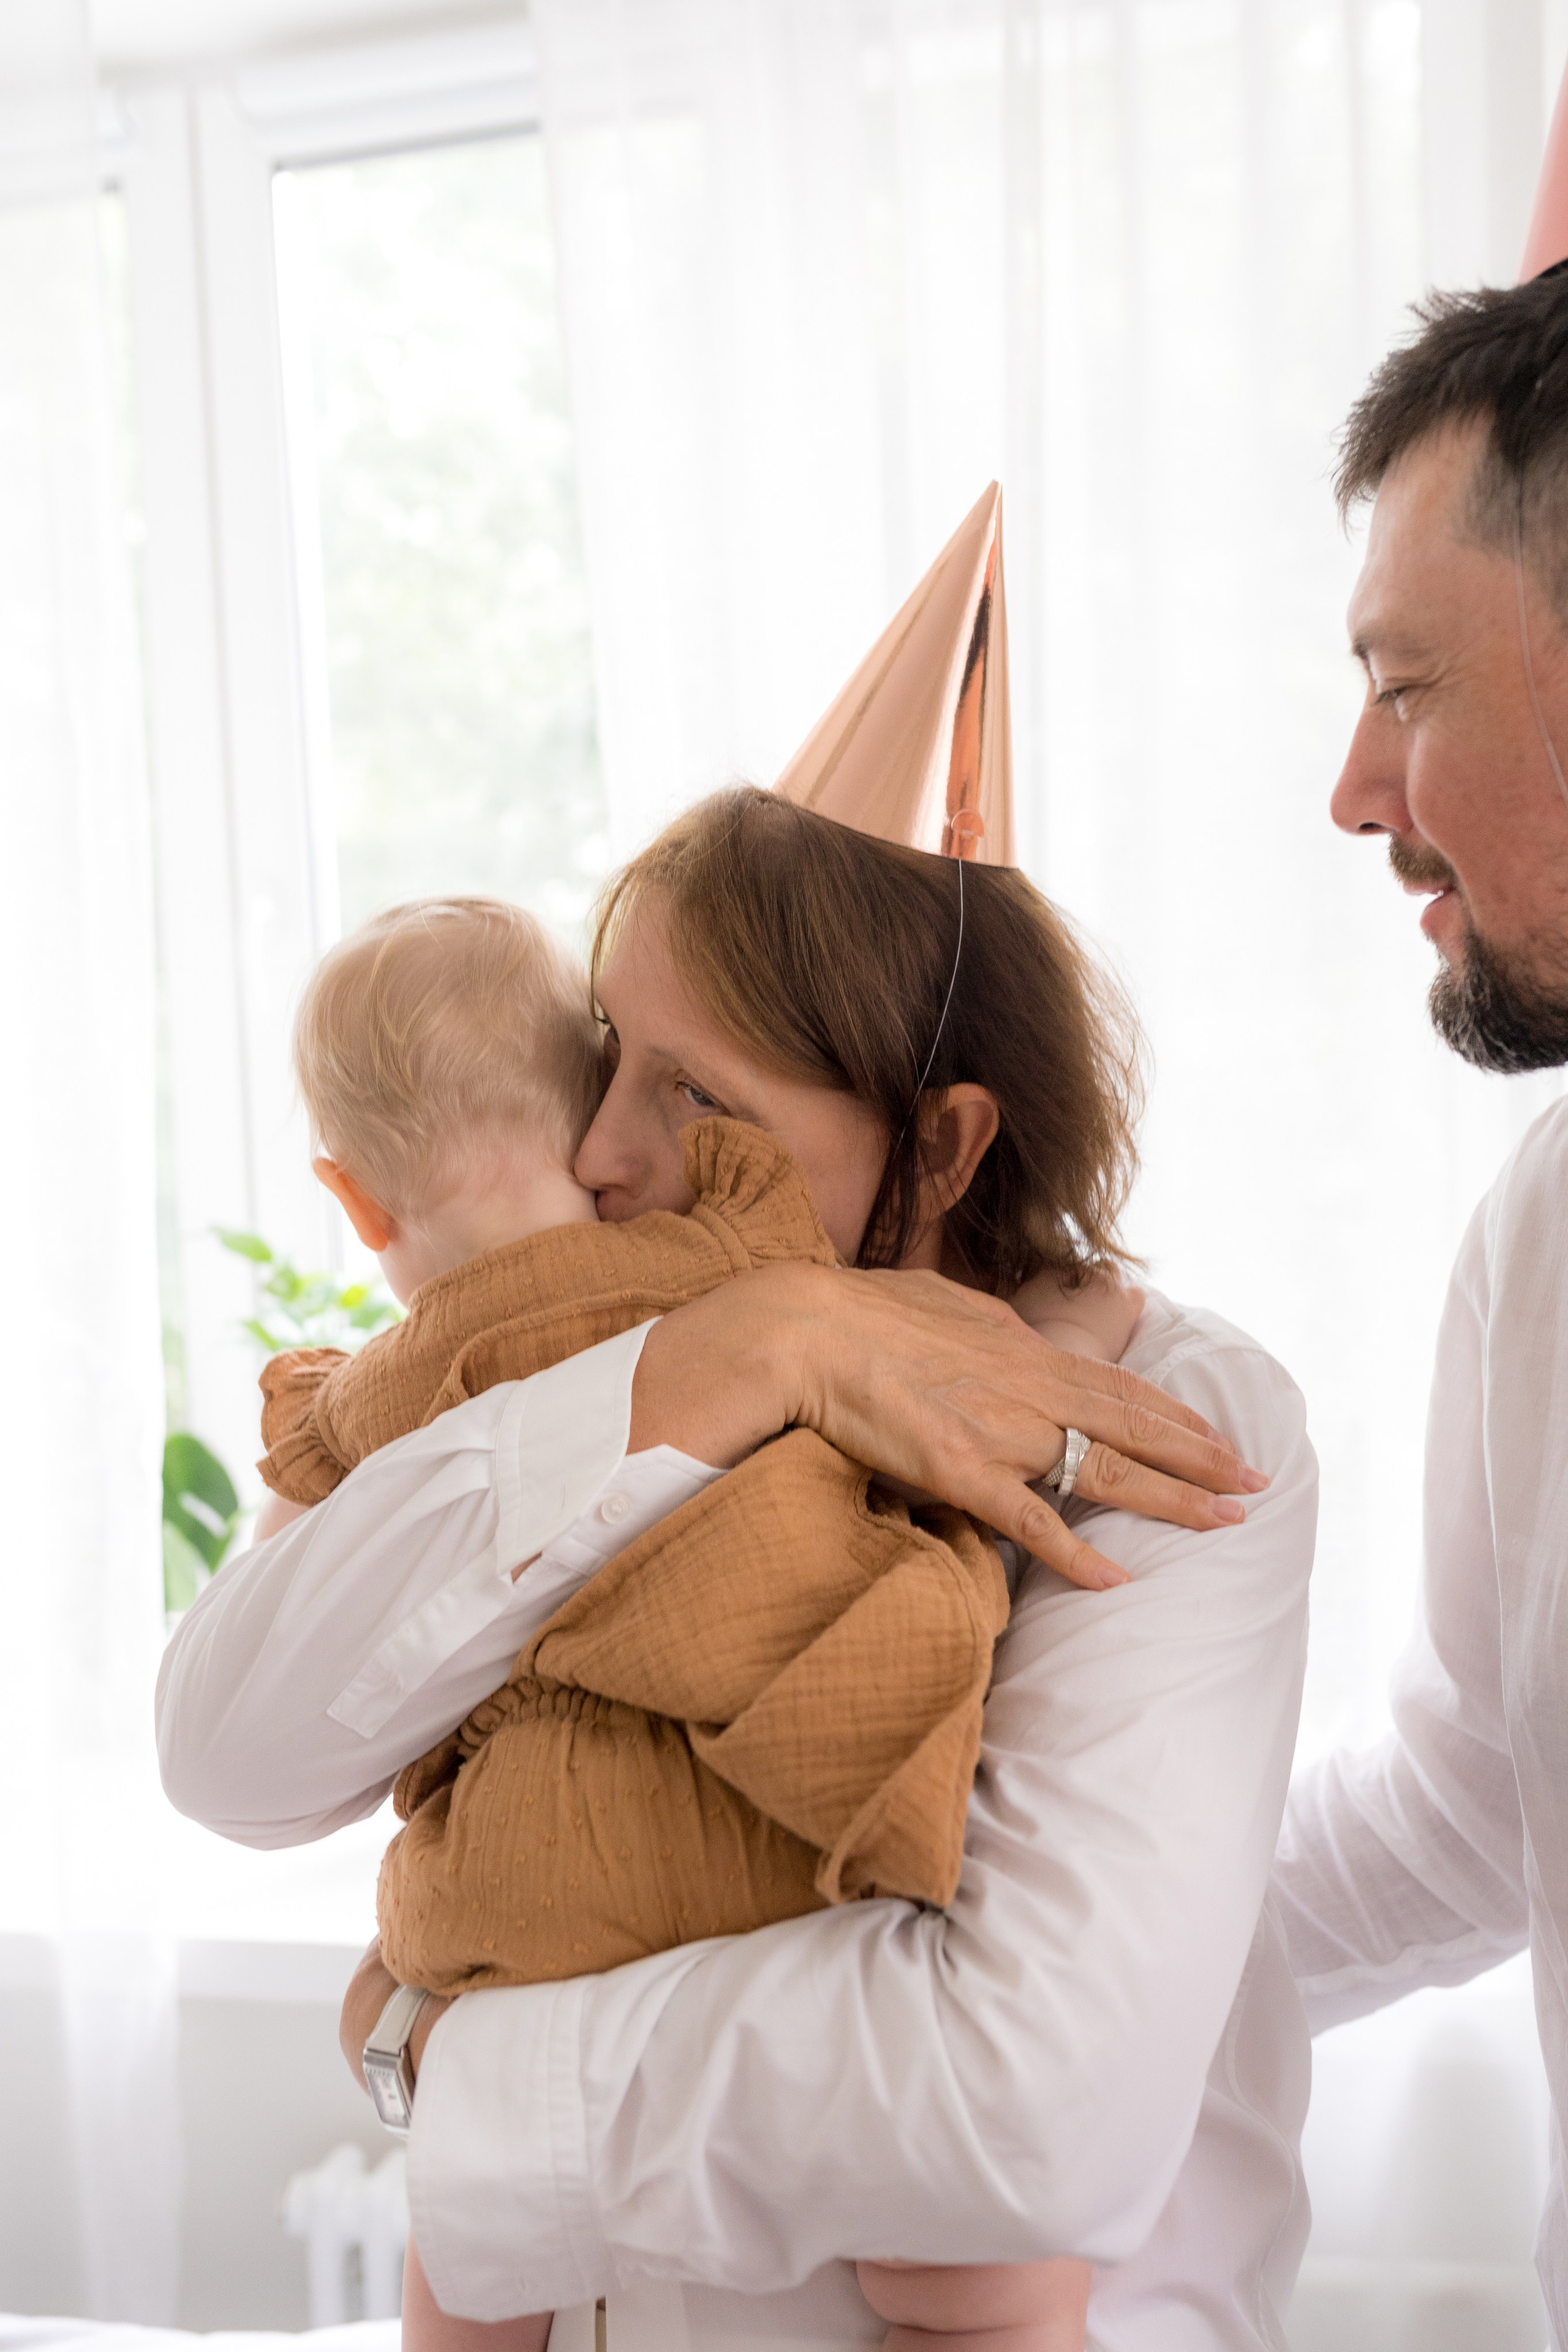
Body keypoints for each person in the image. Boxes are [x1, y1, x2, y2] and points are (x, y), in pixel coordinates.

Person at [157, 486, 1316, 2352]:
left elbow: (1015, 2108)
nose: (603, 1155)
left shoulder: (1166, 1415)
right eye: (605, 1059)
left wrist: (462, 2063)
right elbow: (228, 1749)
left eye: (694, 1098)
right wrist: (726, 1359)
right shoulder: (592, 1358)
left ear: (939, 1146)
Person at [257, 884, 1144, 2352]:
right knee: (979, 2267)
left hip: (514, 1890)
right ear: (576, 1113)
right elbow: (941, 1360)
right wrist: (1070, 1335)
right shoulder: (738, 1271)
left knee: (470, 2256)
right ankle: (968, 2318)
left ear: (354, 1201)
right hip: (778, 1824)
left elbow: (290, 1569)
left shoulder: (381, 1382)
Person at [1271, 87, 1568, 2351]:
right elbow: (1478, 1802)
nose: (1359, 790)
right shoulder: (1539, 1235)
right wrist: (1018, 1946)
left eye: (1404, 685)